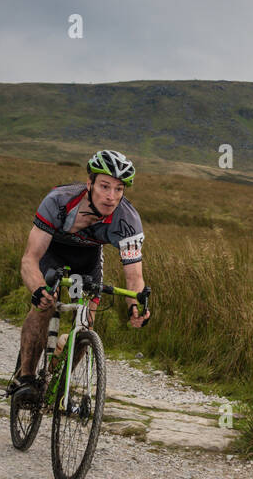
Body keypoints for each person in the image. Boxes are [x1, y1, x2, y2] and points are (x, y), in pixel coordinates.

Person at [9, 150, 150, 398]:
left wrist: (134, 306)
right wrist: (38, 289)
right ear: (90, 184)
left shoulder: (127, 220)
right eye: (105, 186)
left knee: (86, 323)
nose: (111, 196)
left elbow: (134, 278)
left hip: (88, 261)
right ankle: (26, 380)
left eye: (119, 189)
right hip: (52, 255)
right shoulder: (58, 202)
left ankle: (56, 384)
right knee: (45, 306)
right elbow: (30, 258)